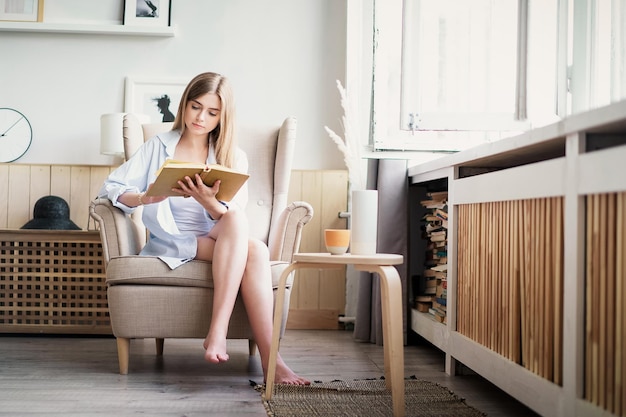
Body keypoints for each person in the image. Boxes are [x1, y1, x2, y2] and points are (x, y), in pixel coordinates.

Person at [99, 72, 309, 386]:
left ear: (223, 117)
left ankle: (221, 334)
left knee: (237, 223)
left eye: (212, 113)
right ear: (185, 105)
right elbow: (112, 188)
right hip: (172, 241)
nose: (201, 118)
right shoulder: (157, 146)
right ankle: (269, 359)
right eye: (196, 107)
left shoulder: (233, 156)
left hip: (216, 238)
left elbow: (232, 215)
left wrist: (210, 203)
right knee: (257, 252)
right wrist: (146, 196)